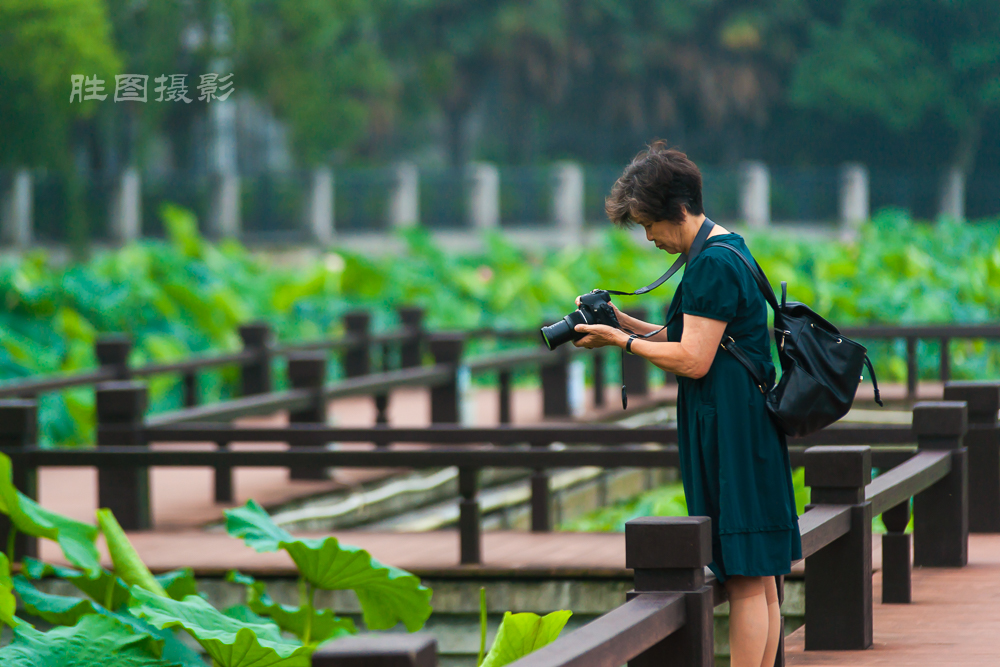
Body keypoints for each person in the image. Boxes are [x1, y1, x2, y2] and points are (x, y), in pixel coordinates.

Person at [572, 142, 802, 667]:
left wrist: (619, 343)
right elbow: (696, 338)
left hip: (731, 428)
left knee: (745, 579)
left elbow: (694, 360)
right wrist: (620, 322)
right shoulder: (727, 246)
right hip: (746, 422)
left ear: (677, 210)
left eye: (648, 223)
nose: (648, 237)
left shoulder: (710, 266)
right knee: (760, 576)